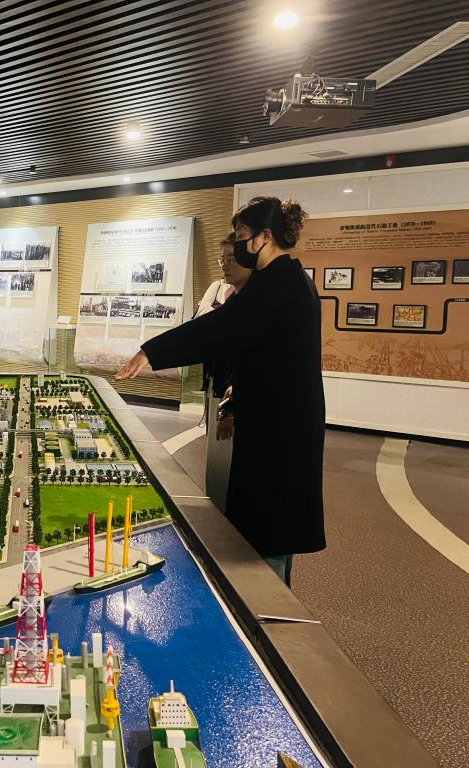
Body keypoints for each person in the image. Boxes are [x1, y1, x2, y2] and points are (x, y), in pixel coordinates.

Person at [117, 197, 325, 586]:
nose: (237, 247)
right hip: (279, 423)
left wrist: (151, 351)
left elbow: (218, 329)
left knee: (268, 532)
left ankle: (268, 611)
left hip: (279, 432)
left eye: (243, 235)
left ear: (264, 237)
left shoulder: (278, 284)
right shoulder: (286, 280)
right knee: (269, 527)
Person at [196, 232, 252, 513]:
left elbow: (248, 358)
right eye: (223, 259)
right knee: (218, 460)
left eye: (232, 258)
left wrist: (230, 408)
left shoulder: (254, 302)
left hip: (233, 392)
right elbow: (201, 319)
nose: (225, 265)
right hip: (218, 383)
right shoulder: (227, 293)